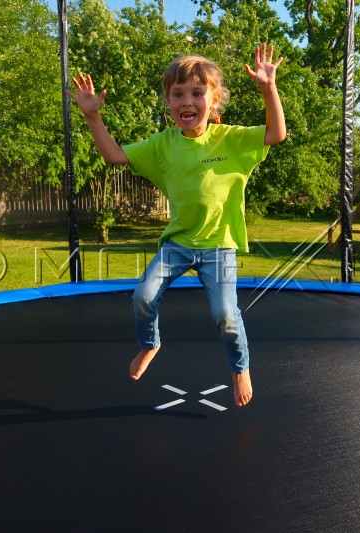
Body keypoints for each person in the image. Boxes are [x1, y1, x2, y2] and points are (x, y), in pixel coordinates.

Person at [66, 43, 286, 407]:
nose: (187, 101)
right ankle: (150, 345)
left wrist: (268, 88)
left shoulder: (232, 138)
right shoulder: (163, 144)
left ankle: (240, 367)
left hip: (219, 245)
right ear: (169, 103)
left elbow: (275, 134)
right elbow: (114, 155)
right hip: (177, 244)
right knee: (143, 296)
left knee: (225, 315)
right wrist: (92, 117)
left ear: (213, 101)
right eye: (178, 94)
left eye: (197, 93)